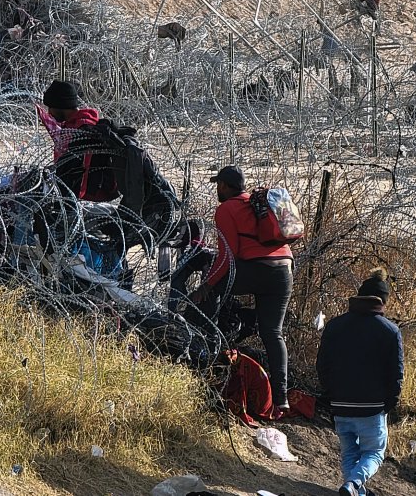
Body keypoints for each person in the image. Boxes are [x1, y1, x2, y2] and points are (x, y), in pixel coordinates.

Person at [189, 165, 293, 418]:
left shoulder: (226, 209)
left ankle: (198, 348)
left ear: (224, 186)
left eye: (218, 185)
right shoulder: (258, 204)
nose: (217, 189)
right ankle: (281, 400)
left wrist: (206, 286)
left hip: (254, 270)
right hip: (284, 271)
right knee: (273, 333)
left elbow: (227, 257)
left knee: (209, 295)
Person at [39, 80, 179, 243]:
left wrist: (65, 203)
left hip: (87, 202)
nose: (49, 112)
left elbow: (80, 177)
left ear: (61, 105)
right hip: (93, 200)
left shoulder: (83, 132)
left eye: (51, 107)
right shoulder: (77, 128)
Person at [317, 270, 404, 496]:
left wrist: (330, 393)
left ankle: (355, 490)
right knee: (374, 453)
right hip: (372, 406)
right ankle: (354, 483)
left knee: (349, 453)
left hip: (340, 403)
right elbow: (396, 373)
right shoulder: (390, 331)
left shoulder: (335, 326)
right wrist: (389, 403)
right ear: (383, 301)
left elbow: (322, 365)